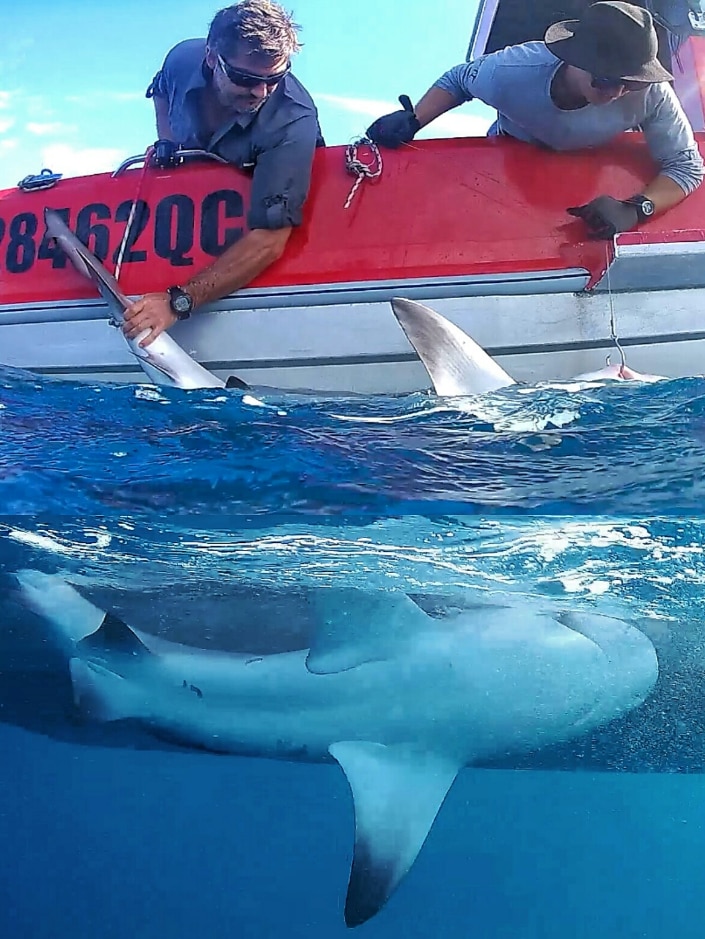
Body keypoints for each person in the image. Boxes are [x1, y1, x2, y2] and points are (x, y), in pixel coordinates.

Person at [366, 1, 704, 239]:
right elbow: (458, 79)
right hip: (509, 169)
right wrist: (414, 120)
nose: (617, 93)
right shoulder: (511, 71)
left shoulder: (653, 94)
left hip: (587, 184)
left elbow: (688, 167)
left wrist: (635, 209)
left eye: (630, 83)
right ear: (575, 59)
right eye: (606, 79)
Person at [124, 0, 324, 347]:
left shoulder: (294, 119)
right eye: (246, 78)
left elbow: (270, 239)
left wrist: (177, 302)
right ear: (212, 57)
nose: (261, 92)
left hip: (276, 187)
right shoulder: (181, 58)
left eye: (275, 78)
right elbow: (160, 92)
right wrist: (167, 142)